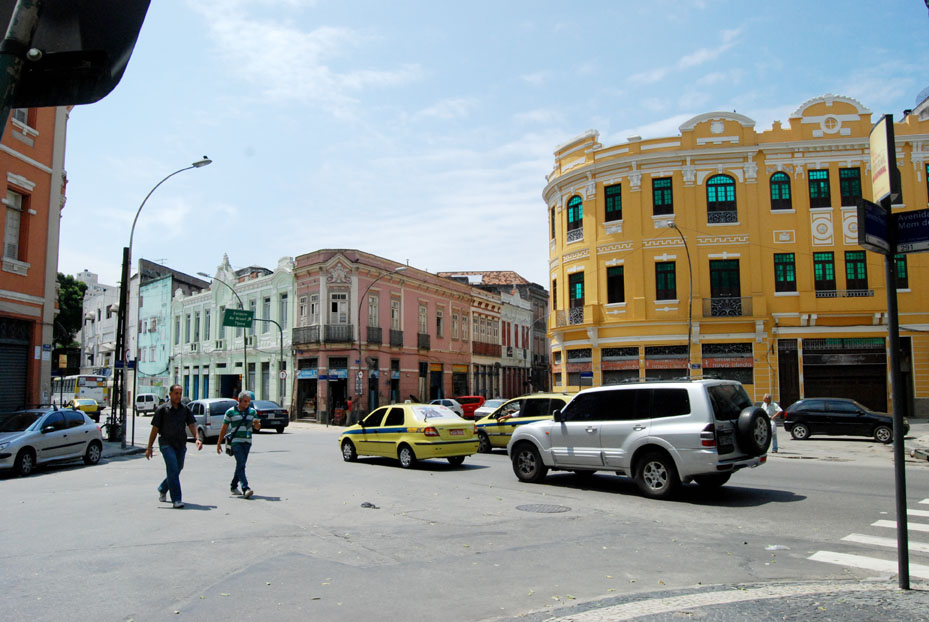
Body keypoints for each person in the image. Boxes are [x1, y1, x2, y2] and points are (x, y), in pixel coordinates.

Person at [145, 384, 202, 508]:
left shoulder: (185, 409)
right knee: (172, 468)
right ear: (170, 394)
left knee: (177, 469)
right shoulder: (162, 410)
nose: (178, 396)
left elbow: (192, 425)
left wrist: (197, 438)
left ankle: (162, 488)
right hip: (166, 444)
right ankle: (176, 499)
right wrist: (149, 448)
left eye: (180, 393)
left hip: (180, 444)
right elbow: (154, 430)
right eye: (176, 393)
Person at [216, 390, 261, 498]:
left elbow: (257, 426)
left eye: (248, 401)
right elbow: (224, 428)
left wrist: (257, 425)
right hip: (236, 441)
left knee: (241, 465)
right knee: (241, 463)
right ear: (239, 401)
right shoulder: (230, 412)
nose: (246, 404)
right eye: (245, 401)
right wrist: (219, 443)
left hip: (247, 441)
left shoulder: (252, 412)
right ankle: (245, 488)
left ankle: (233, 485)